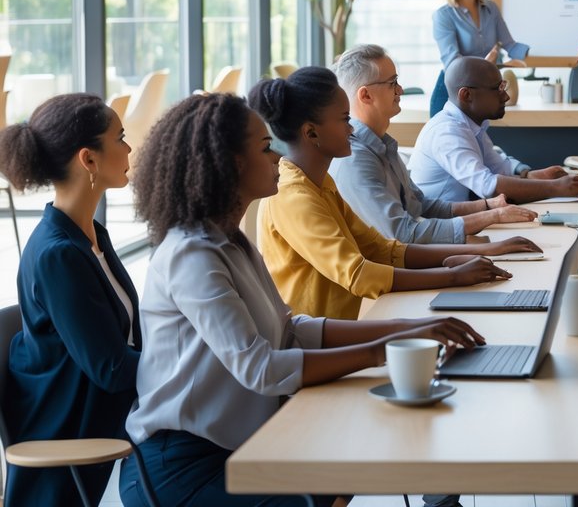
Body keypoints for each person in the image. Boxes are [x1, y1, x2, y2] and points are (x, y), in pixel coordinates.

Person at [119, 93, 487, 507]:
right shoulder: (192, 254)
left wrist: (408, 330)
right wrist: (383, 350)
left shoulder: (231, 239)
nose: (277, 155)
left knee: (355, 454)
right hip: (184, 466)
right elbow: (261, 368)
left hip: (241, 442)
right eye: (264, 147)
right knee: (332, 476)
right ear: (231, 162)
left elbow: (291, 329)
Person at [251, 67, 533, 320]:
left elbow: (383, 250)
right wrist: (452, 276)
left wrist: (485, 249)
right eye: (344, 119)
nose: (351, 129)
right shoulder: (293, 195)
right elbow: (359, 274)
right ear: (311, 133)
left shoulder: (320, 183)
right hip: (315, 342)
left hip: (345, 327)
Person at [0, 94, 138, 505]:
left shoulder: (90, 236)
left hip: (100, 413)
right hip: (66, 427)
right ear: (89, 160)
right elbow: (111, 368)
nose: (130, 148)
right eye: (121, 137)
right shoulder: (57, 252)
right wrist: (195, 364)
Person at [331, 44, 537, 244]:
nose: (401, 90)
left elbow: (419, 205)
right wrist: (493, 216)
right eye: (392, 83)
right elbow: (403, 234)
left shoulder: (383, 145)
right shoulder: (355, 158)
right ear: (365, 95)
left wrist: (488, 206)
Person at [410, 56, 578, 204]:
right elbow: (488, 186)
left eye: (503, 86)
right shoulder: (447, 132)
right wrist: (555, 188)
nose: (506, 96)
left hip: (466, 219)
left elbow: (500, 169)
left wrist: (536, 176)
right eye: (497, 89)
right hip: (444, 229)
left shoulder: (473, 125)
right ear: (467, 95)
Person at [429, 0, 578, 116]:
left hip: (483, 93)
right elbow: (453, 63)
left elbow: (511, 46)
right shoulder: (443, 15)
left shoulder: (491, 9)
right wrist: (485, 64)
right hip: (452, 93)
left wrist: (568, 54)